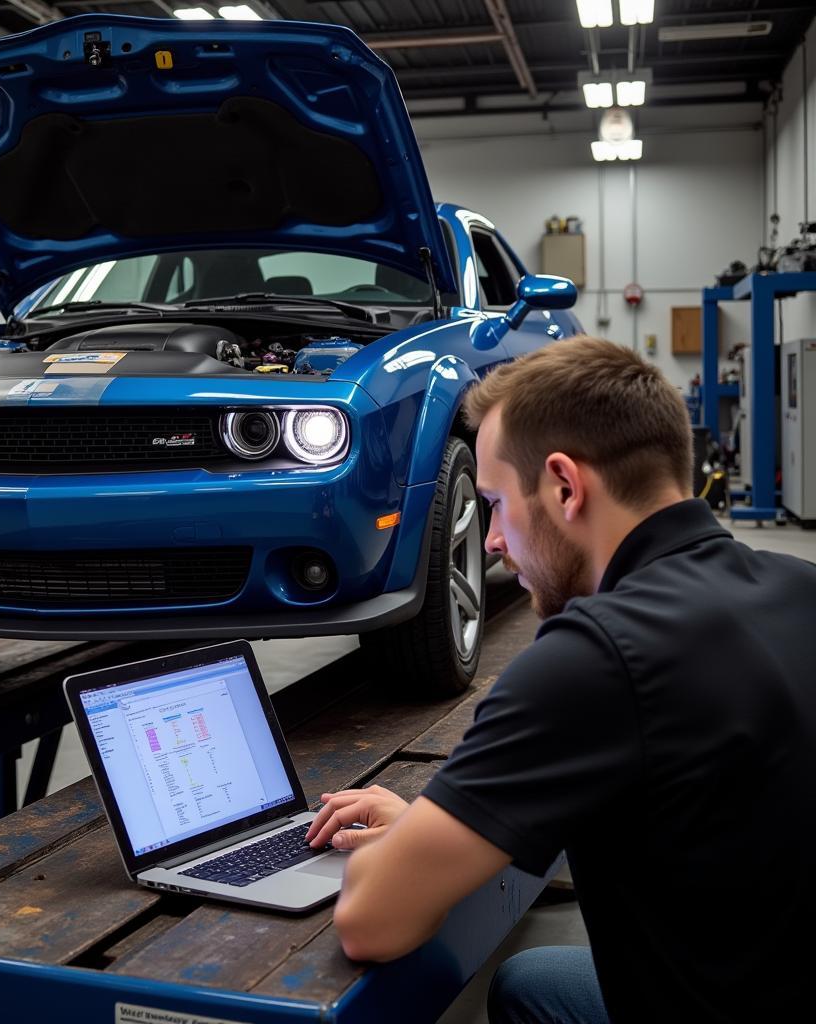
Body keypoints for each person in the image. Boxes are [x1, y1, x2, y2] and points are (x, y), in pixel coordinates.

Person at [305, 337, 816, 1022]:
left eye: (494, 500)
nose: (489, 539)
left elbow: (371, 919)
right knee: (533, 981)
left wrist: (402, 851)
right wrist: (449, 826)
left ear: (565, 487)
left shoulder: (594, 657)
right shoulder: (797, 584)